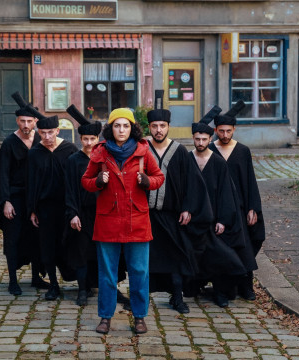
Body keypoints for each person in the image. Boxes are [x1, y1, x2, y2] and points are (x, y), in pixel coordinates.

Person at [81, 108, 164, 335]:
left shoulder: (143, 152)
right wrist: (98, 181)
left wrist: (147, 181)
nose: (121, 130)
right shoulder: (100, 153)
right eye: (117, 125)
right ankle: (105, 317)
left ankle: (139, 317)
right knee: (107, 274)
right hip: (108, 221)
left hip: (136, 220)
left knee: (139, 272)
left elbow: (159, 177)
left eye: (126, 126)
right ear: (110, 128)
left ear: (132, 128)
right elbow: (86, 181)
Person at [145, 109, 213, 314]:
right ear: (149, 127)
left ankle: (177, 296)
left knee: (176, 257)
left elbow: (192, 182)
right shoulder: (141, 149)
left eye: (162, 126)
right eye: (155, 126)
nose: (159, 130)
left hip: (171, 215)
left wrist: (187, 208)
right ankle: (141, 299)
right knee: (143, 259)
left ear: (168, 127)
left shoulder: (179, 151)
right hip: (145, 215)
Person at [65, 105, 131, 308]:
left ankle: (112, 289)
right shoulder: (73, 161)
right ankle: (83, 289)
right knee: (83, 252)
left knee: (110, 254)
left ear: (98, 140)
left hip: (107, 212)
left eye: (92, 139)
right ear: (80, 140)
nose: (88, 143)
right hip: (84, 213)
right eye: (85, 139)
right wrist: (73, 213)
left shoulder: (106, 157)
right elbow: (69, 189)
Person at [0, 92, 49, 296]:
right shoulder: (9, 143)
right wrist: (6, 201)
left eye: (30, 121)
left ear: (35, 121)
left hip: (36, 198)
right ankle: (13, 280)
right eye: (22, 121)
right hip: (15, 197)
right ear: (17, 121)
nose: (26, 124)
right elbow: (2, 175)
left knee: (37, 237)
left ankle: (36, 278)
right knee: (12, 239)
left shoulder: (41, 140)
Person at [190, 106, 249, 307]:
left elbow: (226, 193)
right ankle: (192, 286)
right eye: (197, 139)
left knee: (220, 254)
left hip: (217, 216)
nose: (200, 142)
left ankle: (221, 291)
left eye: (203, 139)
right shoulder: (188, 159)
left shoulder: (218, 161)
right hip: (195, 217)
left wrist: (223, 219)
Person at [208, 100, 265, 300]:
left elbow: (250, 181)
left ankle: (245, 286)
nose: (224, 135)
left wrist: (252, 208)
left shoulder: (242, 151)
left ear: (234, 130)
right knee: (220, 250)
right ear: (215, 130)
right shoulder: (209, 150)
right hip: (217, 210)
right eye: (221, 131)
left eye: (228, 131)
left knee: (244, 247)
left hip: (240, 207)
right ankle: (222, 290)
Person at [28, 107, 78, 301]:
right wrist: (32, 210)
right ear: (38, 133)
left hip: (67, 207)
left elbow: (76, 181)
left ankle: (81, 282)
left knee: (70, 243)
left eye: (50, 132)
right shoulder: (35, 153)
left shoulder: (70, 150)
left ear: (58, 131)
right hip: (45, 208)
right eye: (43, 133)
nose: (47, 137)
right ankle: (54, 286)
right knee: (47, 246)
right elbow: (31, 182)